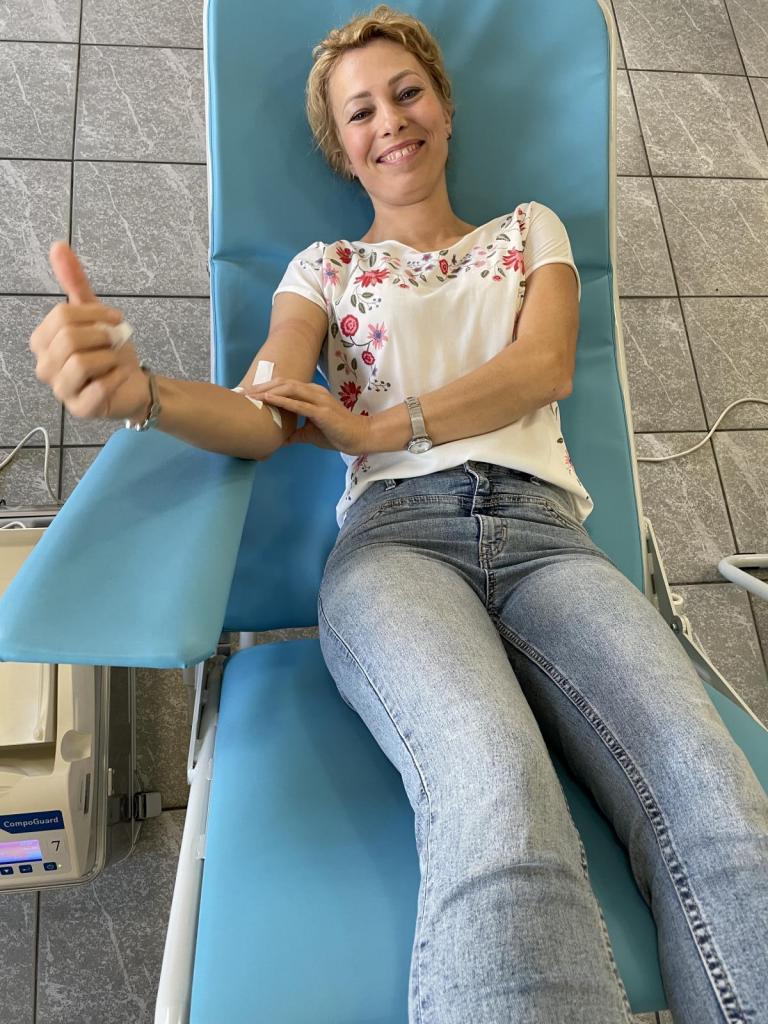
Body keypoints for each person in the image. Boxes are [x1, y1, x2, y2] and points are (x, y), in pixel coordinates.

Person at [29, 5, 767, 1024]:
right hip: (398, 551)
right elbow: (263, 412)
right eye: (361, 111)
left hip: (549, 543)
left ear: (446, 109)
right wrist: (143, 394)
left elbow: (541, 367)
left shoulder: (530, 231)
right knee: (497, 788)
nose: (391, 120)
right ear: (344, 151)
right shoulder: (324, 269)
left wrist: (381, 426)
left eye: (408, 93)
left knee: (719, 798)